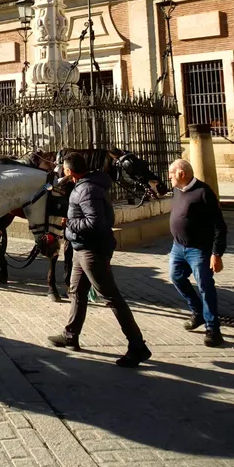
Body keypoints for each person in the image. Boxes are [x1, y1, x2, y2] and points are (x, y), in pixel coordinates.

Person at [48, 151, 152, 367]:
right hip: (81, 248)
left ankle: (137, 346)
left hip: (91, 251)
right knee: (77, 291)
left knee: (111, 297)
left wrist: (69, 223)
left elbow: (95, 223)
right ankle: (71, 334)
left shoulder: (87, 189)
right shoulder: (84, 185)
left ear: (69, 171)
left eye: (63, 169)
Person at [167, 158, 226, 347]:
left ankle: (213, 329)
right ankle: (198, 311)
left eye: (171, 173)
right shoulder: (177, 189)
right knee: (176, 277)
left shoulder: (203, 192)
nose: (169, 177)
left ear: (182, 174)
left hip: (199, 250)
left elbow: (219, 226)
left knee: (205, 287)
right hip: (178, 247)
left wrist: (216, 253)